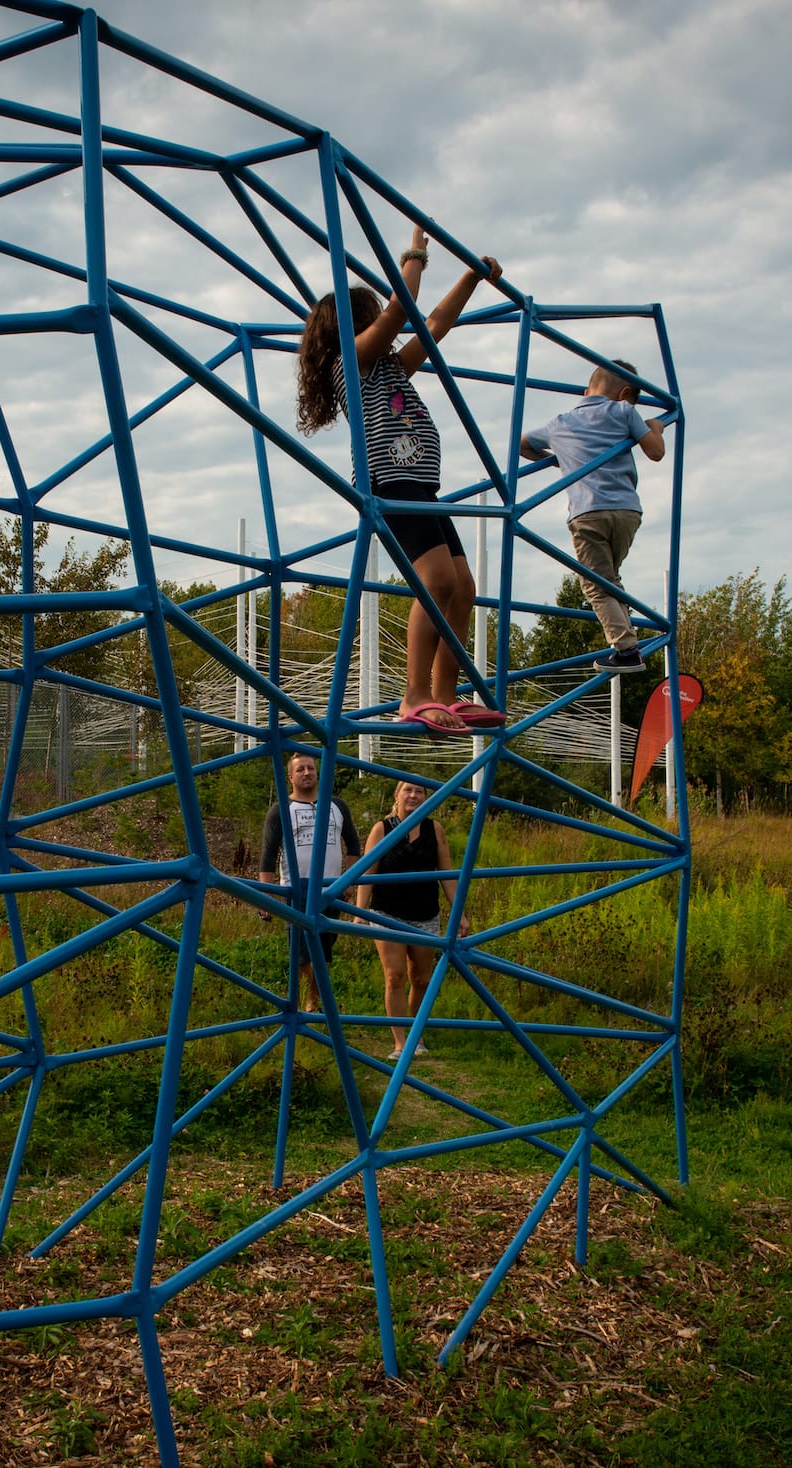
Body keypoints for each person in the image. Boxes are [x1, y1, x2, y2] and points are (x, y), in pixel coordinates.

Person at [296, 225, 504, 735]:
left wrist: (471, 278)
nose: (382, 323)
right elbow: (401, 311)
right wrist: (415, 253)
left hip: (421, 486)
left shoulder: (388, 367)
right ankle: (413, 695)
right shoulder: (350, 364)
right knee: (436, 581)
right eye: (371, 316)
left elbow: (434, 324)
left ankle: (445, 694)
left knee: (463, 588)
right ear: (350, 326)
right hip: (390, 485)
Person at [519, 359, 667, 671]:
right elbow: (655, 451)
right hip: (627, 511)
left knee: (596, 586)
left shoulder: (561, 423)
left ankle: (626, 650)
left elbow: (521, 444)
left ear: (586, 392)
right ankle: (628, 638)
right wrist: (655, 426)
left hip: (587, 514)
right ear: (625, 394)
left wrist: (561, 460)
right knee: (609, 579)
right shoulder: (624, 411)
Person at [356, 781, 465, 1061]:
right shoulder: (382, 829)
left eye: (419, 792)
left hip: (425, 914)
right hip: (387, 913)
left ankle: (417, 1035)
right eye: (408, 790)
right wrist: (359, 913)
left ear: (426, 798)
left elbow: (447, 875)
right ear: (397, 795)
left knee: (422, 979)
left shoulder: (434, 829)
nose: (413, 796)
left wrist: (460, 913)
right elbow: (367, 872)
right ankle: (400, 1042)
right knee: (394, 976)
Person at [256, 751, 360, 1013]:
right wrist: (266, 896)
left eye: (311, 768)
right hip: (297, 888)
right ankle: (310, 1000)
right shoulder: (281, 809)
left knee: (324, 949)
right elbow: (268, 855)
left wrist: (349, 881)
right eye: (300, 769)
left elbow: (353, 844)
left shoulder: (337, 805)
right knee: (301, 952)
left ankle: (316, 997)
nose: (307, 773)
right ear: (290, 777)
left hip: (331, 888)